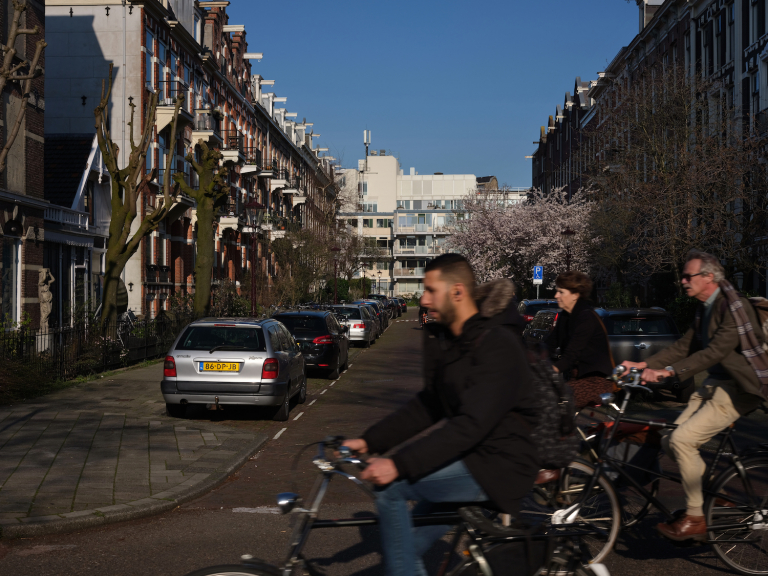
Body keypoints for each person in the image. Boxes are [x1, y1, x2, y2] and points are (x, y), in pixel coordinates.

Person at [342, 254, 537, 576]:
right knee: (408, 546)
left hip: (499, 465)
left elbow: (470, 425)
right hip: (470, 457)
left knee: (391, 489)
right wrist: (369, 441)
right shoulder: (446, 340)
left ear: (457, 292)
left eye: (431, 290)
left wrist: (398, 464)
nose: (424, 299)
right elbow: (430, 405)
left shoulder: (497, 344)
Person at [621, 249, 766, 542]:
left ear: (708, 277)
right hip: (716, 385)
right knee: (669, 440)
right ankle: (716, 495)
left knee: (683, 441)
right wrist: (643, 365)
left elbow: (714, 352)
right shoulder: (705, 307)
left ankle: (696, 517)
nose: (683, 281)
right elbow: (684, 346)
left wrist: (668, 373)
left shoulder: (734, 307)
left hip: (740, 388)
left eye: (688, 276)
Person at [546, 271, 614, 408]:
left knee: (550, 400)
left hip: (596, 382)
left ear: (575, 295)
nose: (556, 296)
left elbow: (571, 354)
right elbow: (550, 344)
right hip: (576, 379)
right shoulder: (565, 316)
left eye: (561, 292)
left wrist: (548, 370)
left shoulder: (586, 318)